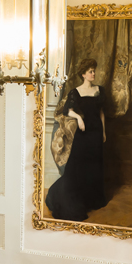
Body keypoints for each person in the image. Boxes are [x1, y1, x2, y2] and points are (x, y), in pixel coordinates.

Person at [46, 58, 107, 221]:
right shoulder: (76, 92)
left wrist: (103, 132)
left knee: (94, 165)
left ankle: (91, 199)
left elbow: (101, 113)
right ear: (83, 74)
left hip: (96, 133)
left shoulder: (99, 90)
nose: (93, 74)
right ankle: (73, 198)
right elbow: (67, 110)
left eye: (94, 71)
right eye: (90, 71)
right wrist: (79, 118)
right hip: (83, 133)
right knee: (78, 167)